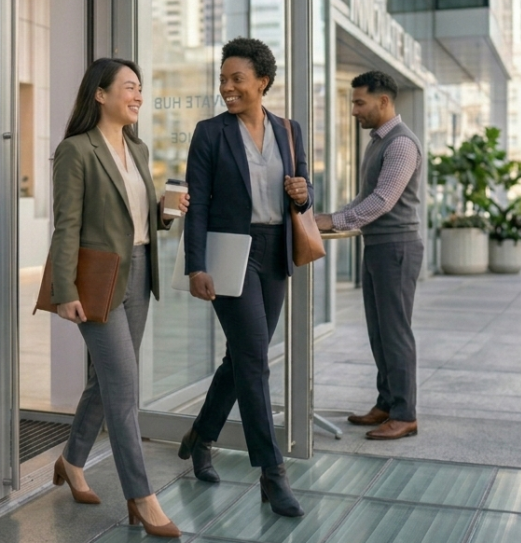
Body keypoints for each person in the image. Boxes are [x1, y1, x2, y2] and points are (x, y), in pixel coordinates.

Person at [50, 58, 189, 538]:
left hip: (138, 273)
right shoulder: (75, 151)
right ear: (100, 94)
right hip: (97, 281)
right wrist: (63, 291)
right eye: (129, 87)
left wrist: (165, 214)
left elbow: (134, 216)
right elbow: (67, 224)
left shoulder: (138, 148)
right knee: (124, 390)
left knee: (105, 383)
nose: (138, 96)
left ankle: (71, 461)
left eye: (140, 88)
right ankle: (141, 496)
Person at [178, 37, 312, 518]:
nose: (227, 87)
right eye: (223, 78)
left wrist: (303, 192)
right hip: (231, 253)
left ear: (263, 82)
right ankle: (272, 473)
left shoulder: (289, 130)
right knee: (255, 361)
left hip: (275, 253)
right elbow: (196, 207)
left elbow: (303, 190)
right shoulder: (210, 133)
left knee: (243, 358)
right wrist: (197, 264)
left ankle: (201, 435)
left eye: (237, 79)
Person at [315, 71, 424, 441]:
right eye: (353, 103)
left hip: (397, 247)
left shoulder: (401, 144)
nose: (353, 111)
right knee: (379, 332)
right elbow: (365, 198)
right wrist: (331, 220)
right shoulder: (377, 142)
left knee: (395, 332)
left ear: (384, 101)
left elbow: (383, 200)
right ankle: (387, 403)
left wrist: (334, 220)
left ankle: (405, 414)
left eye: (359, 103)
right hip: (378, 245)